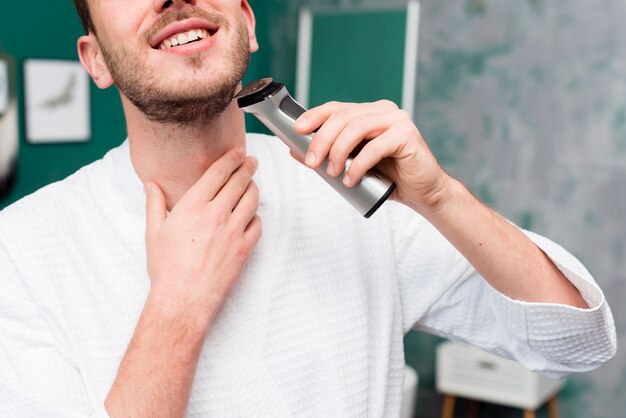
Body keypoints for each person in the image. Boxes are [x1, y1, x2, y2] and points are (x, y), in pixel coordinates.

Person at [0, 1, 616, 417]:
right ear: (96, 61)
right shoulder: (19, 253)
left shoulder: (349, 195)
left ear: (247, 19)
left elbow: (578, 341)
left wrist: (437, 197)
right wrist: (178, 309)